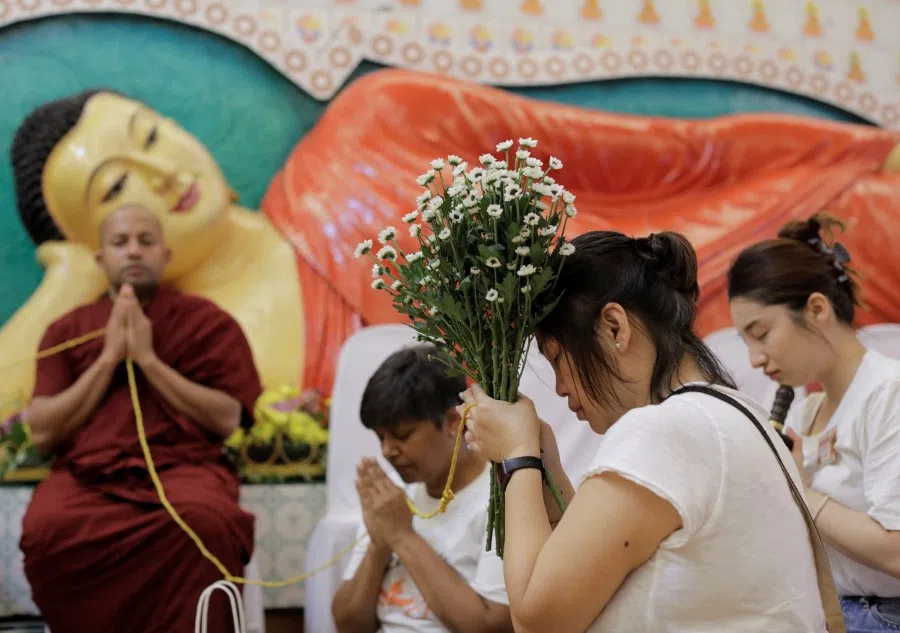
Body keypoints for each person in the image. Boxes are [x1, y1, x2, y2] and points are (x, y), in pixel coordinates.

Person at [5, 72, 900, 408]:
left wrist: (814, 161)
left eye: (153, 133)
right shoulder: (186, 327)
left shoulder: (365, 124)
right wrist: (62, 280)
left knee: (876, 224)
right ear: (93, 243)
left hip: (650, 279)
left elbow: (648, 156)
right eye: (115, 188)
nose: (160, 177)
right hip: (572, 387)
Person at [460, 230, 830, 632]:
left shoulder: (663, 431)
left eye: (558, 359)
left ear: (615, 327)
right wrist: (544, 463)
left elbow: (537, 621)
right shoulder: (733, 411)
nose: (560, 387)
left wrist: (519, 457)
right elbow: (596, 563)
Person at [20, 204, 262, 633]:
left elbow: (227, 419)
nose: (133, 251)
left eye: (146, 242)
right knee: (48, 528)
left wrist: (148, 361)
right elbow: (41, 431)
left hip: (184, 471)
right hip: (88, 479)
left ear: (166, 255)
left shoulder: (206, 323)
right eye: (120, 242)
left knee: (206, 522)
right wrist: (108, 358)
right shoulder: (68, 329)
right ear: (100, 259)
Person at [728, 213, 900, 632]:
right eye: (745, 341)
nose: (755, 359)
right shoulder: (806, 412)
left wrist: (800, 489)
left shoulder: (888, 392)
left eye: (762, 332)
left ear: (817, 309)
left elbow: (896, 552)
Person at [332, 345, 512, 633]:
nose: (388, 450)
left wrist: (402, 536)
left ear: (453, 421)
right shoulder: (392, 501)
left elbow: (489, 626)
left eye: (403, 435)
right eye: (380, 437)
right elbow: (349, 624)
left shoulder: (502, 497)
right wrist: (379, 545)